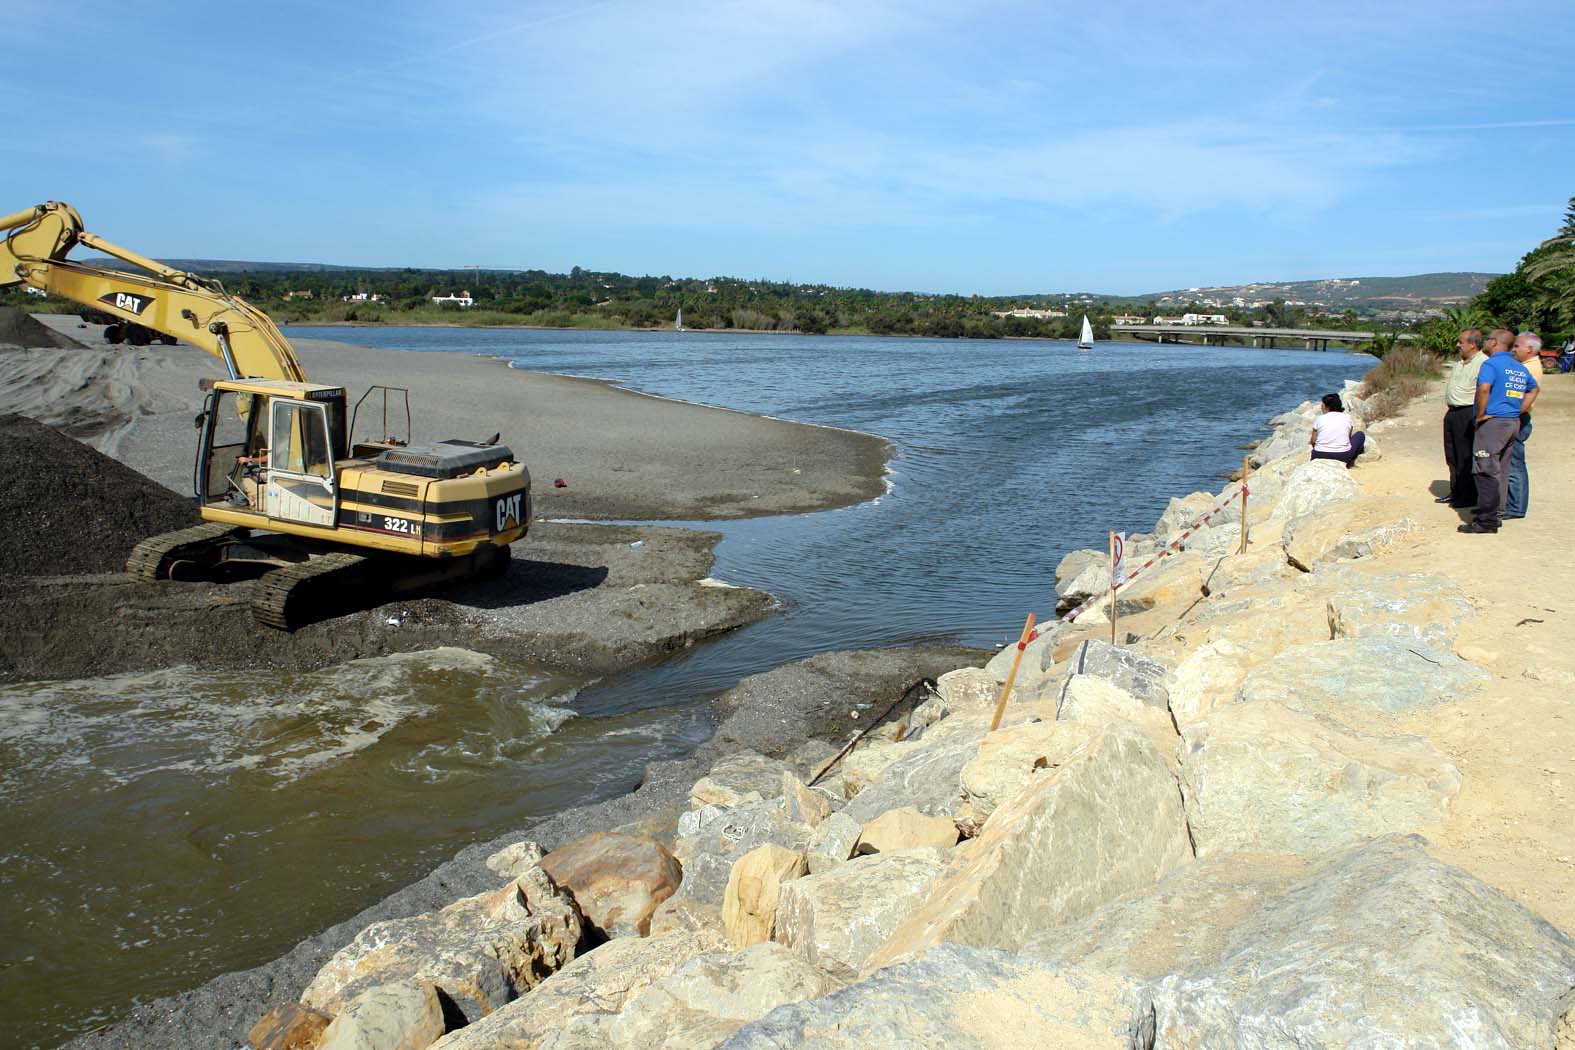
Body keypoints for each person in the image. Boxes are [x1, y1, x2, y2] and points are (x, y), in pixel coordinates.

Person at [1462, 332, 1539, 533]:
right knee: (1502, 469)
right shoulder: (1519, 367)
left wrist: (1480, 415)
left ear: (1494, 342)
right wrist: (1518, 410)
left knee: (1485, 467)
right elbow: (1534, 389)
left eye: (1487, 339)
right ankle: (1497, 512)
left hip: (1493, 423)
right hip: (1512, 422)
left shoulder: (1490, 364)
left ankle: (1486, 521)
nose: (1484, 341)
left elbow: (1484, 389)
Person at [1439, 329, 1484, 507]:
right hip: (1452, 411)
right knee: (1452, 454)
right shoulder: (1460, 362)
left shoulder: (1482, 363)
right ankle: (1455, 490)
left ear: (1473, 344)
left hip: (1467, 411)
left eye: (1461, 342)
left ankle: (1468, 496)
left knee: (1464, 455)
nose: (1458, 345)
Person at [1505, 332, 1544, 519]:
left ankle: (1515, 506)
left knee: (1514, 463)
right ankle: (1510, 503)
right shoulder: (1526, 366)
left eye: (1517, 346)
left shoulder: (1529, 369)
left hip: (1519, 417)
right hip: (1519, 416)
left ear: (1529, 349)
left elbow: (1527, 395)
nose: (1514, 349)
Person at [1309, 393, 1365, 466]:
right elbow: (1347, 439)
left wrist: (1321, 449)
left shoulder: (1319, 418)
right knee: (1360, 435)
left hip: (1318, 455)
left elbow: (1313, 441)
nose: (1321, 407)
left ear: (1327, 407)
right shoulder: (1347, 418)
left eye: (1322, 405)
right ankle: (1351, 461)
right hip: (1342, 456)